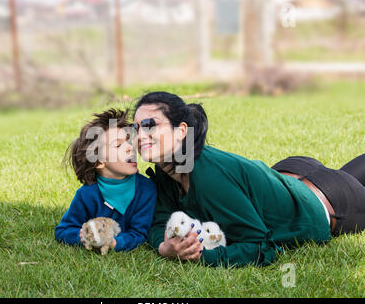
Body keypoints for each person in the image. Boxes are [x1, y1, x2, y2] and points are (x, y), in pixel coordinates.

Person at [132, 91, 365, 267]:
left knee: (347, 178)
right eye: (135, 128)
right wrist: (165, 247)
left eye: (150, 125)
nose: (141, 135)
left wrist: (199, 255)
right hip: (290, 172)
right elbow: (160, 221)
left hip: (329, 201)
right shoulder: (165, 170)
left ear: (181, 131)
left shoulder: (208, 175)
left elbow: (260, 248)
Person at [55, 108, 157, 252]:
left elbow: (139, 233)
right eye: (118, 145)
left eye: (128, 141)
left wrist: (114, 243)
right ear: (99, 162)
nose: (130, 147)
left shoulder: (146, 190)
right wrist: (83, 236)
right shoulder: (86, 194)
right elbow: (63, 230)